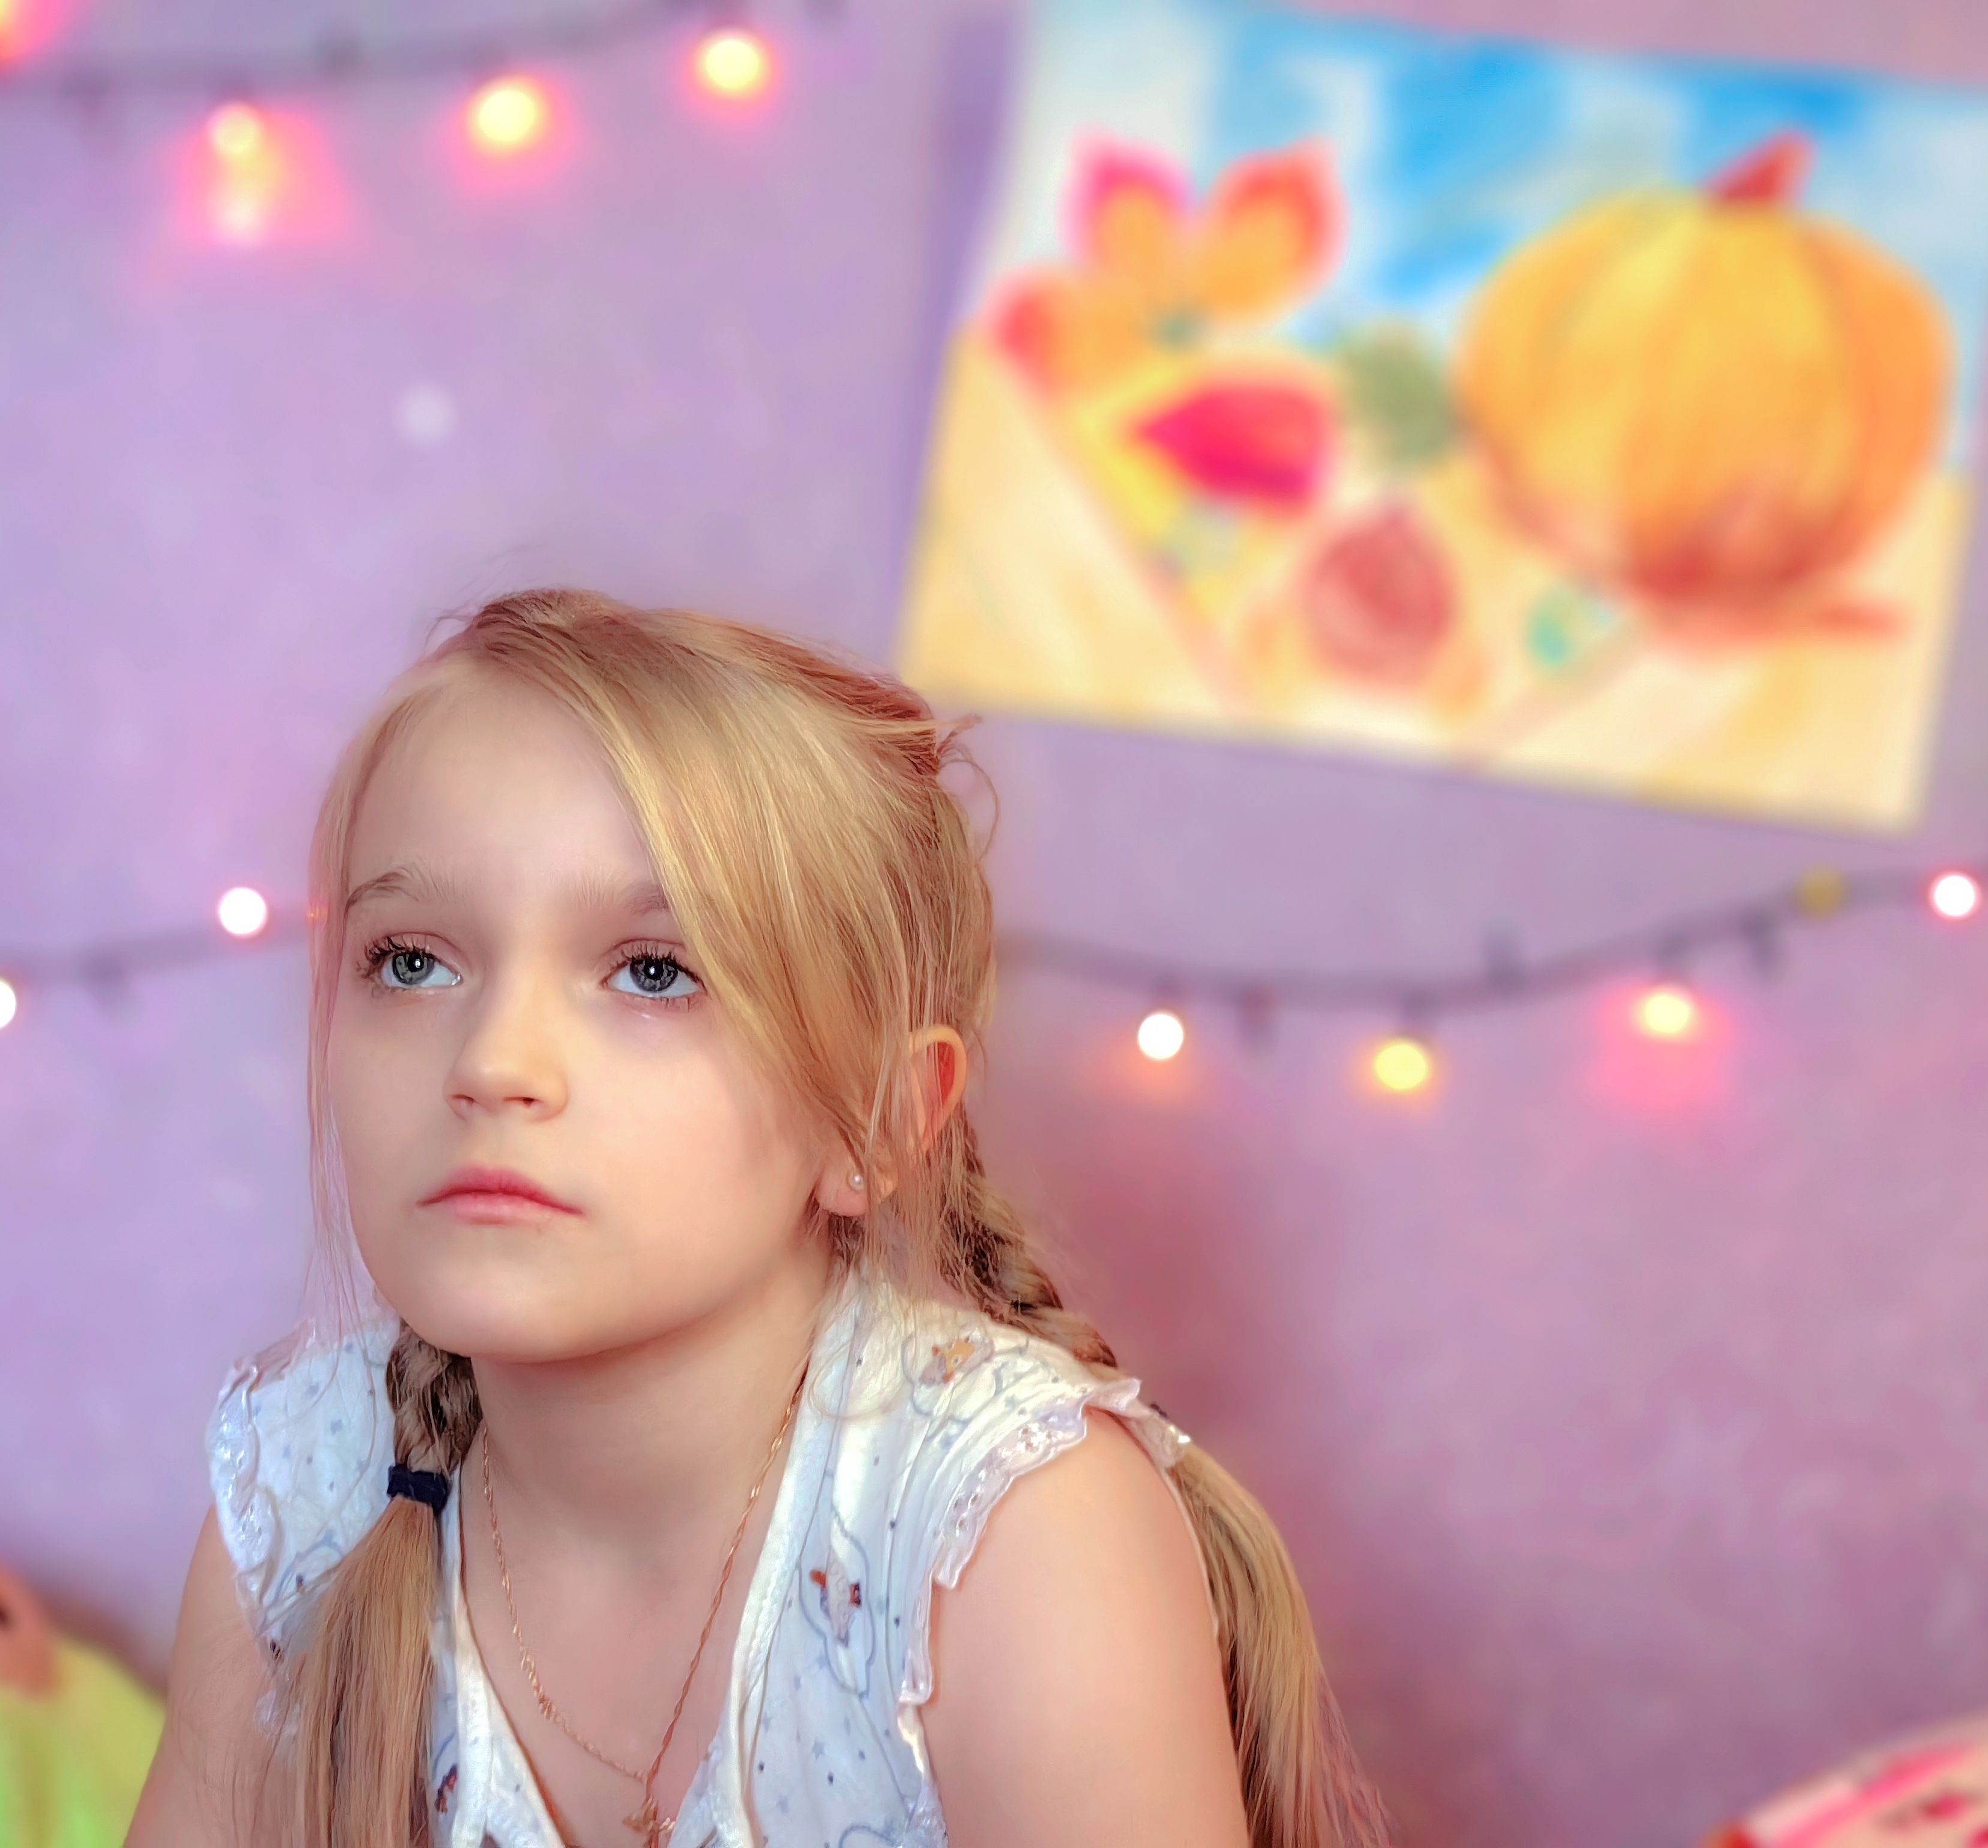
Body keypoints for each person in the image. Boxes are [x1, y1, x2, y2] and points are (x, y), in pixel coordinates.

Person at [126, 588, 1385, 1848]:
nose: (492, 1062)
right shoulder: (304, 1504)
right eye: (411, 961)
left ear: (872, 1123)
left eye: (653, 972)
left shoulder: (1009, 1536)